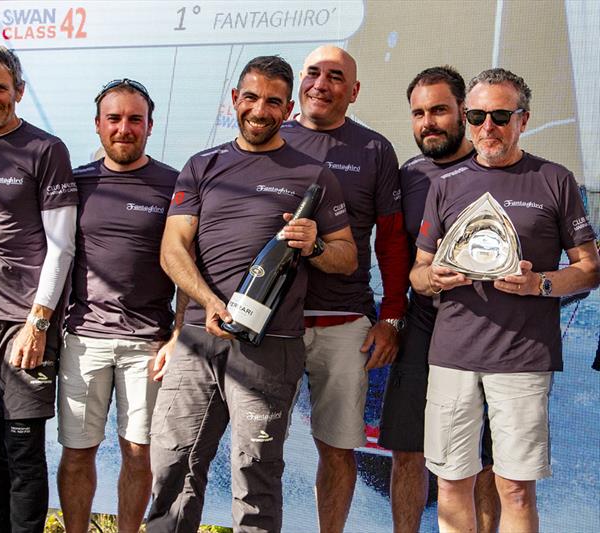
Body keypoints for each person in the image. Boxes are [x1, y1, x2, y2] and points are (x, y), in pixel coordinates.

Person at [147, 55, 357, 533]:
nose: (260, 110)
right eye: (251, 98)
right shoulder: (203, 165)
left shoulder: (315, 176)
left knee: (255, 473)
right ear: (234, 101)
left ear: (288, 110)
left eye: (273, 102)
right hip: (198, 341)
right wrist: (210, 302)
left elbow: (347, 258)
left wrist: (317, 245)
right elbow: (172, 249)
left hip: (272, 346)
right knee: (172, 467)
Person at [410, 68, 600, 533]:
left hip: (523, 357)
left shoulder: (554, 179)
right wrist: (433, 277)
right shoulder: (446, 184)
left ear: (523, 119)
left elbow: (590, 268)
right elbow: (417, 274)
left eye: (499, 115)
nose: (486, 127)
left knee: (515, 486)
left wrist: (542, 285)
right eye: (476, 115)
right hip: (453, 356)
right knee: (452, 482)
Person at [0, 44, 78, 533]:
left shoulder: (46, 150)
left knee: (23, 449)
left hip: (25, 324)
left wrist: (38, 322)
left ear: (18, 92)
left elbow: (61, 246)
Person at [280, 45, 409, 532]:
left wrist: (391, 319)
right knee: (261, 446)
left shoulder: (374, 150)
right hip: (273, 325)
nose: (321, 84)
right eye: (313, 73)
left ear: (353, 92)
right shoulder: (270, 139)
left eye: (336, 77)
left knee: (337, 449)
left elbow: (392, 243)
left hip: (344, 324)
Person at [378, 66, 500, 533]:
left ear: (464, 112)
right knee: (408, 450)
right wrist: (391, 319)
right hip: (424, 325)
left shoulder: (498, 167)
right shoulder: (408, 174)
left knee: (486, 459)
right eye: (419, 113)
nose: (428, 122)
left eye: (440, 111)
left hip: (489, 330)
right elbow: (392, 254)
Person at [56, 79, 179, 533]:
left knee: (138, 451)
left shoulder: (174, 183)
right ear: (97, 125)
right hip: (83, 341)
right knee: (76, 451)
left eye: (134, 119)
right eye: (114, 118)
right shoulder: (75, 182)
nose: (124, 128)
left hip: (147, 344)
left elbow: (189, 262)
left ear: (150, 125)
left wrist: (179, 333)